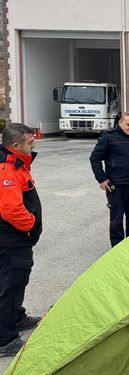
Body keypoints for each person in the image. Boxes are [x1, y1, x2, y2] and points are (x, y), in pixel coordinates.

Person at [0, 123, 42, 357]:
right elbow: (11, 210)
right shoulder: (7, 168)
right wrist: (30, 226)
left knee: (17, 281)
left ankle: (16, 317)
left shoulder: (17, 162)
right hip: (12, 240)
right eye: (30, 141)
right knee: (10, 285)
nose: (34, 143)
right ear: (16, 145)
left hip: (16, 240)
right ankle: (4, 339)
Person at [89, 112, 129, 247]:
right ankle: (117, 248)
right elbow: (95, 158)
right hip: (116, 184)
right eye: (128, 124)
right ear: (120, 123)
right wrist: (102, 179)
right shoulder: (109, 137)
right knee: (117, 219)